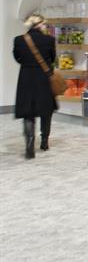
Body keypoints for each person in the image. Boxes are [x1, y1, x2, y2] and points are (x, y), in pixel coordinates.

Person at [13, 14, 57, 159]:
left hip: (26, 78)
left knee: (28, 112)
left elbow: (17, 57)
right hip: (43, 78)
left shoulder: (19, 40)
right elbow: (52, 59)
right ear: (39, 24)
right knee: (46, 110)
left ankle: (29, 146)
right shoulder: (49, 40)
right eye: (44, 24)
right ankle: (44, 141)